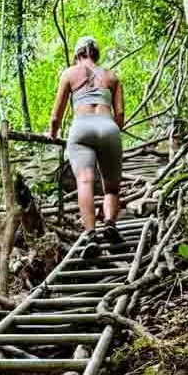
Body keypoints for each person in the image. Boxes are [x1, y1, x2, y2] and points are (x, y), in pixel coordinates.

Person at [49, 35, 125, 258]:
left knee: (84, 181)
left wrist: (52, 134)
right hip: (108, 127)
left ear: (77, 54)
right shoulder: (111, 76)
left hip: (81, 128)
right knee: (111, 187)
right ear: (96, 54)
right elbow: (120, 115)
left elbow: (56, 116)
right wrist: (112, 129)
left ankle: (91, 235)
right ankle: (110, 224)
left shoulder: (70, 74)